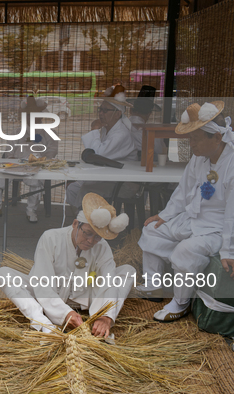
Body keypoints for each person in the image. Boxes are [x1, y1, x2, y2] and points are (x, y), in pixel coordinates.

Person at [137, 101, 234, 322]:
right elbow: (183, 189)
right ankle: (154, 286)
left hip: (218, 228)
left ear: (216, 138)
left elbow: (232, 213)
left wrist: (229, 250)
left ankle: (180, 302)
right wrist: (164, 215)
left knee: (185, 251)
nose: (191, 144)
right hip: (194, 217)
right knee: (152, 229)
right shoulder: (199, 157)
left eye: (195, 139)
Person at [0, 193, 134, 338]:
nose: (90, 241)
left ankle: (99, 318)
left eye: (97, 237)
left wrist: (106, 316)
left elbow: (109, 281)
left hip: (87, 295)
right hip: (52, 295)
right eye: (87, 233)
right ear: (75, 224)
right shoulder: (50, 238)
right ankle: (43, 323)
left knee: (128, 271)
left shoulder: (102, 246)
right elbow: (42, 283)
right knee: (3, 274)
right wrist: (65, 313)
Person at [0, 97, 58, 222]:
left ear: (40, 116)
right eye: (28, 115)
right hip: (15, 165)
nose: (31, 117)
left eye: (35, 115)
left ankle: (31, 210)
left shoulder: (49, 132)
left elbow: (52, 149)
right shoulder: (16, 132)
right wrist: (11, 158)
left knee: (37, 179)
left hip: (35, 165)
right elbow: (9, 149)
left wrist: (44, 159)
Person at [65, 85, 138, 208]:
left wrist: (94, 129)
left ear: (117, 114)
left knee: (86, 190)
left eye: (105, 110)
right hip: (109, 175)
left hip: (123, 182)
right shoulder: (107, 129)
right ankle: (83, 219)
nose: (100, 113)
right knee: (73, 188)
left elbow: (98, 154)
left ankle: (87, 223)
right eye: (100, 109)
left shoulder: (121, 133)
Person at [127, 85, 164, 155]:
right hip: (147, 164)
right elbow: (161, 154)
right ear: (149, 114)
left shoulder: (120, 126)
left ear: (130, 110)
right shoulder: (152, 133)